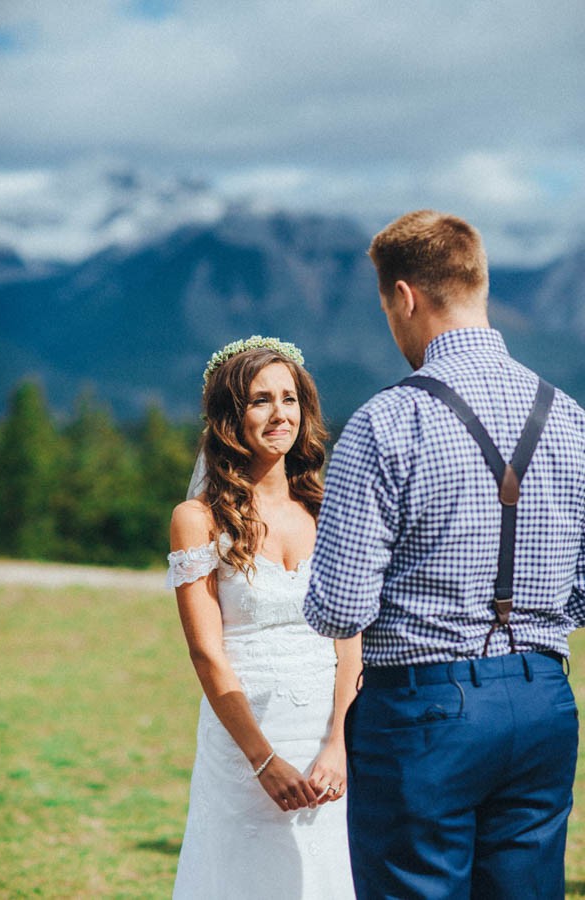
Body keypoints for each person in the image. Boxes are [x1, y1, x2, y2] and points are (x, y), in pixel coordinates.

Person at [304, 210, 585, 899]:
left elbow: (340, 607)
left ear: (405, 297)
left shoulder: (384, 422)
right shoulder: (572, 419)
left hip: (422, 710)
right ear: (478, 284)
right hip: (544, 699)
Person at [167, 336, 360, 899]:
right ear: (230, 415)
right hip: (246, 735)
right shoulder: (197, 518)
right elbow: (207, 653)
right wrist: (263, 759)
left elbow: (349, 638)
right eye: (260, 400)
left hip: (327, 736)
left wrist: (339, 743)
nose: (281, 414)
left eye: (290, 398)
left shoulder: (326, 506)